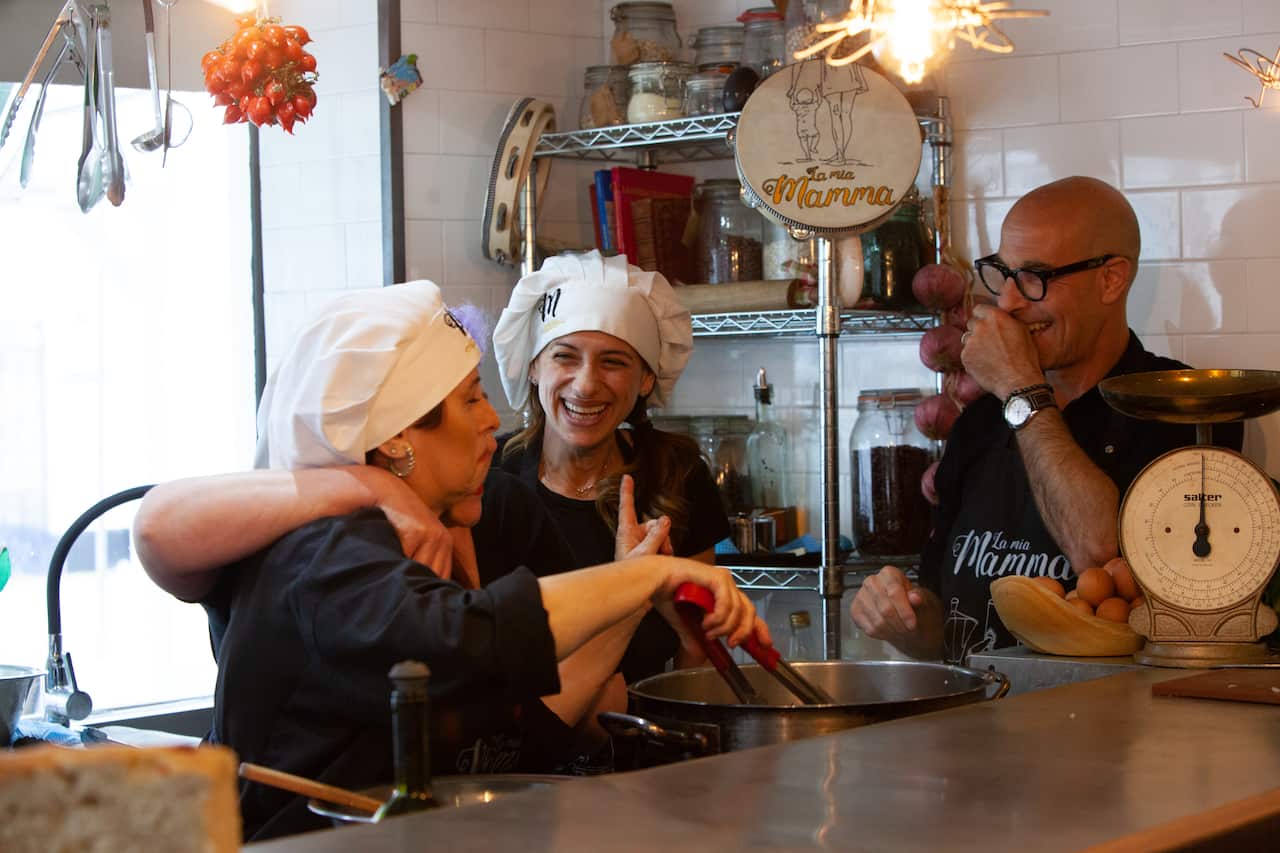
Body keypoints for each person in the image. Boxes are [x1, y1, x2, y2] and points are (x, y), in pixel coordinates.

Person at [134, 281, 764, 840]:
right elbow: (466, 635)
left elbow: (513, 718)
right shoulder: (329, 553)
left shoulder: (426, 529)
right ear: (397, 436)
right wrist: (642, 575)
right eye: (470, 400)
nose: (493, 420)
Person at [849, 176, 1243, 664]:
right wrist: (901, 619)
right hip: (979, 732)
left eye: (1035, 276)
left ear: (1111, 279)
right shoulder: (980, 423)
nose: (1010, 301)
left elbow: (1106, 567)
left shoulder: (1182, 408)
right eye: (1003, 274)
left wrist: (1020, 388)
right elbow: (944, 620)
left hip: (1110, 730)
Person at [490, 250, 731, 684]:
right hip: (523, 746)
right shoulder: (489, 477)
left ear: (645, 379)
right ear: (532, 367)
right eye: (565, 356)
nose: (586, 384)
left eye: (613, 362)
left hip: (651, 737)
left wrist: (686, 628)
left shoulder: (677, 475)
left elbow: (698, 656)